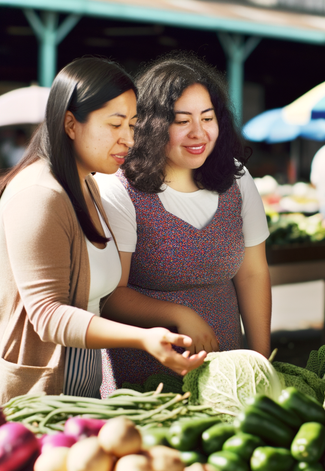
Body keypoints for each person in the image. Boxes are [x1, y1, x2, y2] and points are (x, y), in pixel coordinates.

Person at [0, 57, 206, 404]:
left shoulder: (88, 186)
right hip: (35, 402)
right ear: (70, 124)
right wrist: (142, 339)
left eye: (133, 124)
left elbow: (98, 296)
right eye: (115, 124)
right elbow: (49, 316)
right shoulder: (40, 194)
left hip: (81, 394)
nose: (128, 138)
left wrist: (175, 314)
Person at [96, 53, 271, 396]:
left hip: (226, 375)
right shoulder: (119, 189)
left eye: (208, 118)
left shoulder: (236, 178)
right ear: (150, 124)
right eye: (181, 120)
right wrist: (178, 314)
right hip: (144, 382)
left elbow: (252, 273)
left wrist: (262, 361)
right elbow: (109, 296)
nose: (198, 132)